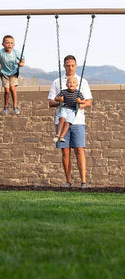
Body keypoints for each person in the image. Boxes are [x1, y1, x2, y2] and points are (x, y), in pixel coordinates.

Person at [48, 55, 92, 188]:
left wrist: (79, 104)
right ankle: (68, 181)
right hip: (61, 120)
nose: (70, 68)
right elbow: (51, 102)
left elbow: (88, 102)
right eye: (67, 65)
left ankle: (83, 182)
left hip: (78, 121)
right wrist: (60, 102)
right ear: (64, 66)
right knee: (65, 151)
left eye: (72, 65)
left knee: (79, 150)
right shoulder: (57, 82)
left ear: (76, 66)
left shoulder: (83, 82)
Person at [0, 34, 25, 115]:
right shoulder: (0, 52)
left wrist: (21, 64)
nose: (9, 44)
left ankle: (15, 106)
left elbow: (22, 59)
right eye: (7, 42)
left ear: (14, 45)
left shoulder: (15, 52)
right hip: (4, 73)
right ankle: (6, 106)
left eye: (11, 43)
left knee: (13, 89)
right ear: (3, 44)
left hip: (13, 72)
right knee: (7, 91)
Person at [52, 76, 84, 144]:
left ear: (77, 85)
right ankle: (57, 135)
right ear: (66, 85)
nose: (71, 84)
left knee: (67, 123)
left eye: (73, 82)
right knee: (62, 119)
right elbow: (55, 98)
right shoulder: (63, 92)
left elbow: (83, 101)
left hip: (73, 110)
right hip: (64, 108)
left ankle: (62, 136)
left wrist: (79, 101)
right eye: (69, 82)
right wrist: (59, 99)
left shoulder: (78, 93)